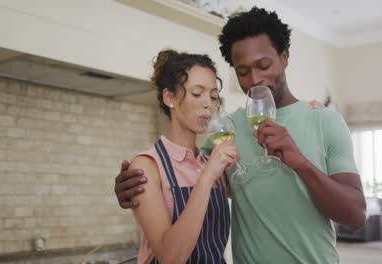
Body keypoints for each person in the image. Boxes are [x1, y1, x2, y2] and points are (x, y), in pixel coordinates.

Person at [115, 7, 366, 263]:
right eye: (243, 72)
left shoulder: (324, 121)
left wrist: (300, 162)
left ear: (285, 57)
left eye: (264, 65)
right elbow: (182, 175)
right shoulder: (227, 129)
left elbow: (356, 216)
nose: (255, 79)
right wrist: (131, 188)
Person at [127, 49, 239, 264]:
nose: (208, 103)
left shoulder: (210, 164)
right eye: (198, 94)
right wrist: (207, 177)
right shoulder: (147, 166)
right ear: (169, 97)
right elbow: (171, 257)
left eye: (213, 96)